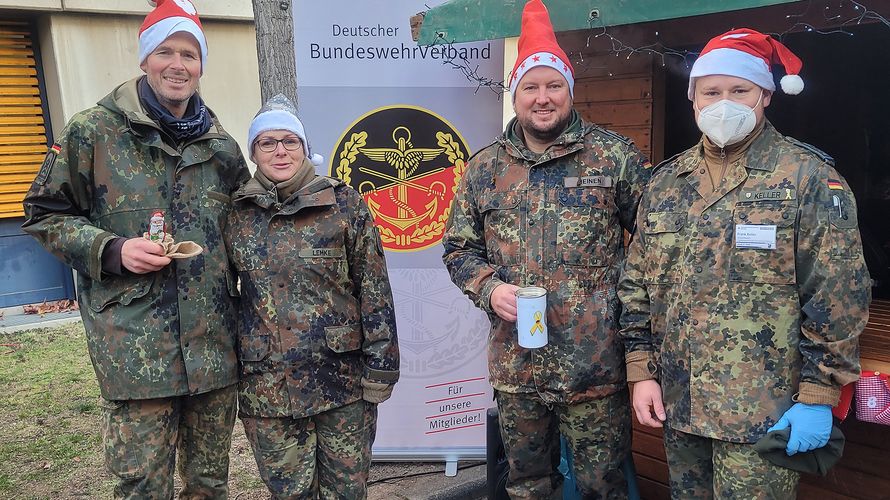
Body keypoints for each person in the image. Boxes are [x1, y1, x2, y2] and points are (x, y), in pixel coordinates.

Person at [619, 28, 870, 498]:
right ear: (693, 98)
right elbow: (637, 285)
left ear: (767, 95)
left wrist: (819, 393)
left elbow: (838, 294)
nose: (724, 102)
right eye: (711, 91)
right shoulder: (666, 183)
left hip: (764, 410)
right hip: (681, 403)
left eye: (740, 90)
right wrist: (642, 371)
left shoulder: (808, 177)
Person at [21, 0, 249, 497]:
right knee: (142, 486)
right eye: (165, 51)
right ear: (144, 59)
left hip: (212, 349)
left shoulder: (222, 148)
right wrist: (111, 249)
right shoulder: (93, 132)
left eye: (189, 54)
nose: (178, 64)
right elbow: (42, 212)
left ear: (201, 65)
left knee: (209, 484)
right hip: (136, 351)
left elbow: (248, 229)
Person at [441, 0, 652, 497]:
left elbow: (651, 247)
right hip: (517, 367)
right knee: (527, 485)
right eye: (530, 87)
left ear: (569, 91)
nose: (542, 98)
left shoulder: (614, 157)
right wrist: (488, 288)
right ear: (515, 94)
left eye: (553, 85)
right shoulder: (484, 168)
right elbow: (457, 249)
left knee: (603, 486)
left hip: (595, 366)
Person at [225, 94, 399, 500]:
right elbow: (221, 296)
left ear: (305, 147)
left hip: (341, 382)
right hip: (267, 386)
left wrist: (382, 368)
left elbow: (373, 288)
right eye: (267, 143)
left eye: (290, 141)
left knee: (346, 492)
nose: (280, 150)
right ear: (253, 152)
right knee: (290, 494)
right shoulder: (235, 213)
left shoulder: (343, 203)